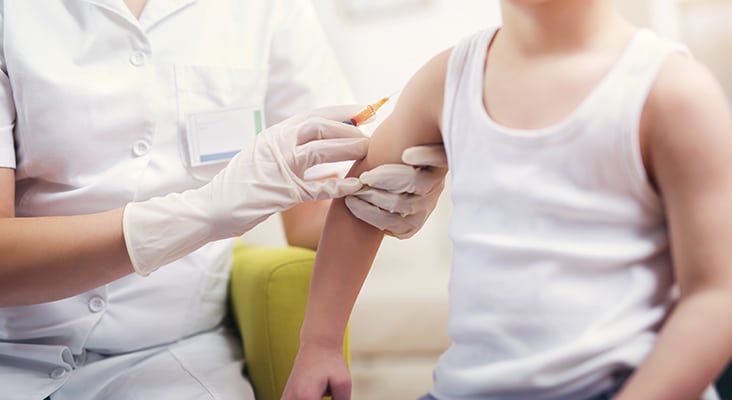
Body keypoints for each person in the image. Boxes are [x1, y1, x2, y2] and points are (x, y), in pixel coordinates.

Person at [282, 0, 732, 399]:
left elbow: (716, 296)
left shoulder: (672, 92)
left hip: (618, 384)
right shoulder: (449, 78)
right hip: (468, 387)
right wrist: (319, 343)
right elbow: (361, 201)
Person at [0, 1, 447, 399]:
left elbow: (317, 208)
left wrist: (389, 202)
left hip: (170, 355)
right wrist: (204, 211)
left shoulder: (270, 11)